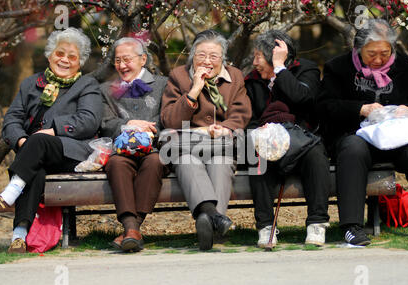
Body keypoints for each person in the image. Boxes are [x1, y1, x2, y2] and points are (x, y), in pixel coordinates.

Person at [317, 19, 408, 245]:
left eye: (385, 53)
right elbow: (323, 106)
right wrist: (360, 109)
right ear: (358, 49)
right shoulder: (338, 68)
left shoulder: (407, 67)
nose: (379, 59)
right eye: (371, 54)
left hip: (397, 139)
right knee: (353, 149)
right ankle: (352, 227)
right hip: (356, 137)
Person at [0, 27, 103, 253]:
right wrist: (22, 141)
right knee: (35, 170)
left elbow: (89, 121)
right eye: (60, 54)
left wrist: (52, 130)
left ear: (79, 63)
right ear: (50, 55)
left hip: (71, 152)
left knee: (38, 141)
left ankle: (9, 194)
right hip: (33, 153)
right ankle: (19, 237)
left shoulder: (87, 86)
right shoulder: (30, 84)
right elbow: (12, 119)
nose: (65, 60)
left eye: (72, 57)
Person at [160, 29, 252, 250]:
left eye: (214, 56)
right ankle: (215, 217)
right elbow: (170, 120)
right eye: (201, 55)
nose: (207, 61)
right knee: (185, 160)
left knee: (220, 163)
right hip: (187, 145)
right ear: (192, 55)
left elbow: (241, 112)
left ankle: (207, 219)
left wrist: (225, 128)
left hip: (220, 144)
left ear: (223, 58)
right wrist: (194, 90)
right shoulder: (179, 76)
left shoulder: (235, 76)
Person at [245, 30, 331, 247]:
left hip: (302, 141)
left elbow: (303, 99)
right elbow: (250, 120)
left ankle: (317, 223)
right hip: (269, 143)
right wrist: (259, 133)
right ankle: (266, 227)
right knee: (257, 155)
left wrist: (280, 69)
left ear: (276, 57)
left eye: (259, 57)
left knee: (316, 154)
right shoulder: (252, 81)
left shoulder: (306, 70)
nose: (254, 62)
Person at [100, 37, 169, 252]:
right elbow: (105, 123)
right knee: (116, 165)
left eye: (127, 59)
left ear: (143, 59)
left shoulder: (163, 84)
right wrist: (128, 124)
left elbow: (169, 117)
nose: (122, 65)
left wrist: (149, 130)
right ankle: (133, 229)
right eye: (118, 61)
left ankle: (131, 229)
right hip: (121, 149)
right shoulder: (106, 89)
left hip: (154, 147)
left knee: (155, 162)